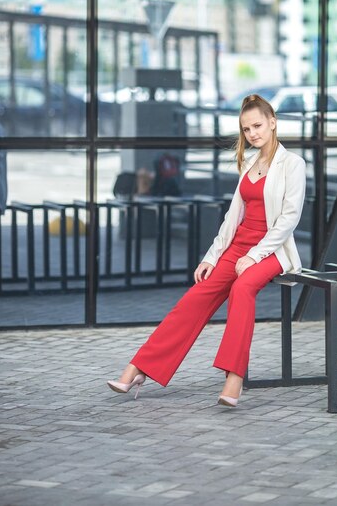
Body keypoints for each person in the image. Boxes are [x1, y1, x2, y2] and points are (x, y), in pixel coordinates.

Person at [107, 94, 306, 407]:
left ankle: (234, 377)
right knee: (196, 297)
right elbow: (232, 219)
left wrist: (254, 255)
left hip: (272, 251)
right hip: (237, 245)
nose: (252, 133)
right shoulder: (250, 163)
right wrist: (211, 256)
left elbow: (289, 219)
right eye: (246, 129)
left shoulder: (292, 164)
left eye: (257, 125)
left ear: (272, 122)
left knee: (242, 289)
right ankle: (139, 367)